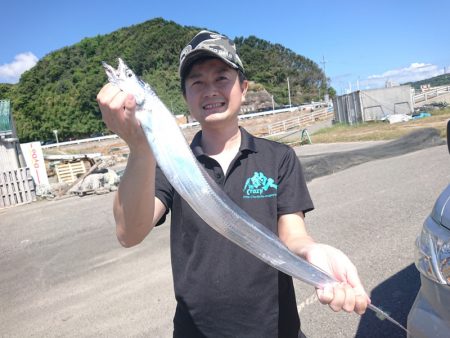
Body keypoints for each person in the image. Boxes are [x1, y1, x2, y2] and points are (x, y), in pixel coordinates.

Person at [97, 30, 370, 338]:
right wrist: (140, 148)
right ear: (185, 96)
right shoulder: (171, 163)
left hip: (276, 330)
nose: (210, 90)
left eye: (222, 78)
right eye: (197, 82)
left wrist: (314, 253)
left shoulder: (278, 157)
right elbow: (128, 233)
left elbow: (294, 235)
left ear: (243, 86)